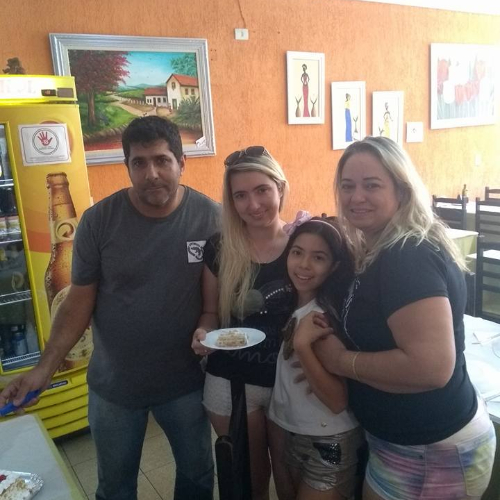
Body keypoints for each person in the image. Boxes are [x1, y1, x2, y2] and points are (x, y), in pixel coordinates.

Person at [0, 116, 220, 500]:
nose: (151, 173)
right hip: (114, 387)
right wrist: (44, 369)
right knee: (115, 488)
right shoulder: (99, 221)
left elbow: (217, 300)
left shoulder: (209, 217)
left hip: (185, 383)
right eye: (139, 162)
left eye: (162, 160)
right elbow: (77, 303)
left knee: (198, 477)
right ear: (127, 166)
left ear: (181, 163)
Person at [310, 136, 496, 500]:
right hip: (407, 444)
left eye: (372, 185)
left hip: (430, 451)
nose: (356, 197)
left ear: (402, 189)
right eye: (347, 186)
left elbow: (431, 368)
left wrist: (340, 361)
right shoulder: (382, 246)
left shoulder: (406, 255)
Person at [191, 146, 293, 500]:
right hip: (232, 382)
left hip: (290, 381)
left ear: (280, 187)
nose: (253, 204)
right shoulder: (220, 247)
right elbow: (210, 312)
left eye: (262, 190)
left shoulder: (303, 243)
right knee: (250, 480)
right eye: (240, 195)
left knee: (290, 477)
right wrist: (203, 333)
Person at [268, 213, 364, 500]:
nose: (304, 265)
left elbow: (337, 401)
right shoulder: (294, 305)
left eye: (318, 258)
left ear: (334, 267)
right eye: (297, 252)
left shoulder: (320, 321)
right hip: (291, 430)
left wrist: (302, 346)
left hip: (329, 439)